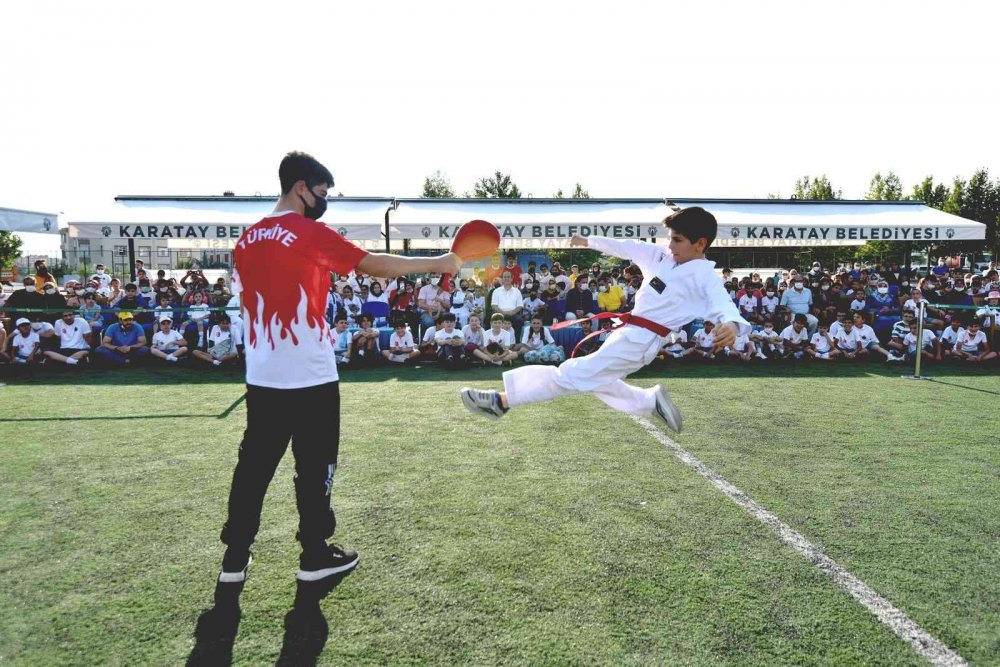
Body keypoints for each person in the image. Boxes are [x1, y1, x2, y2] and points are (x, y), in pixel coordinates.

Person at [216, 151, 461, 587]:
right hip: (310, 374)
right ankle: (314, 554)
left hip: (262, 374)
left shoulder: (246, 239)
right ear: (301, 189)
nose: (323, 201)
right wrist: (438, 262)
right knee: (314, 466)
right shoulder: (309, 232)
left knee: (253, 467)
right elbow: (373, 265)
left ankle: (234, 559)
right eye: (322, 193)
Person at [461, 207, 746, 430]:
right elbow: (627, 247)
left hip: (642, 342)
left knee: (572, 374)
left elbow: (723, 304)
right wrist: (589, 242)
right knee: (597, 379)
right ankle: (650, 401)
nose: (670, 245)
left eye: (678, 240)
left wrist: (731, 325)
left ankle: (501, 401)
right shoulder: (662, 257)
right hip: (627, 333)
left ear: (700, 243)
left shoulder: (704, 277)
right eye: (670, 238)